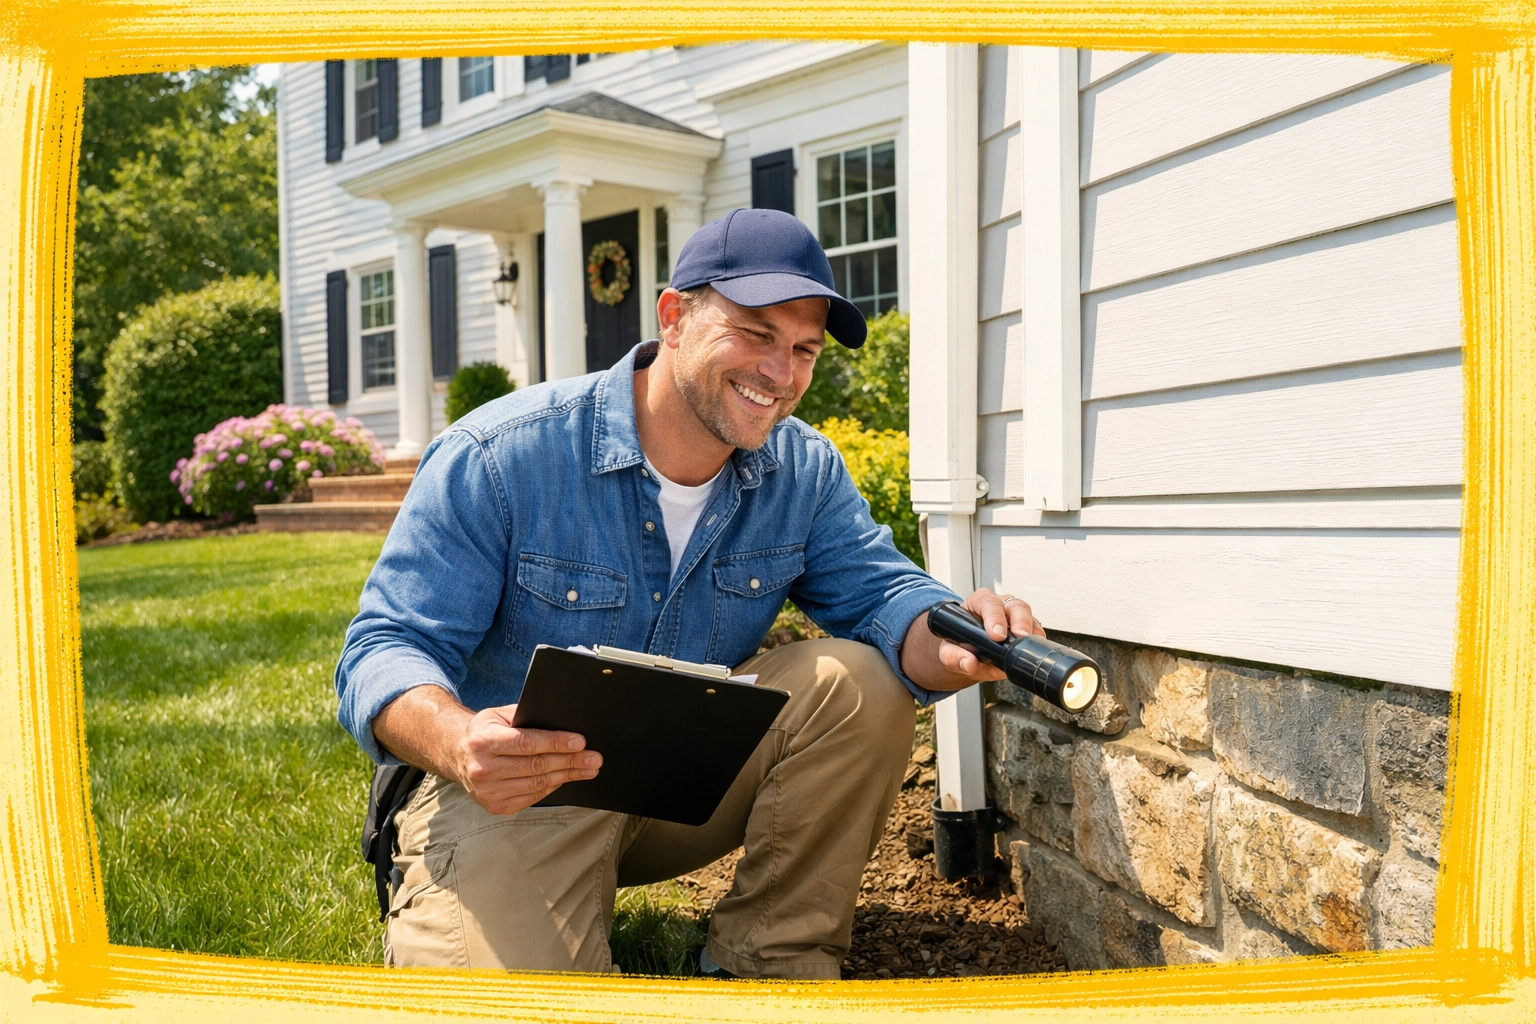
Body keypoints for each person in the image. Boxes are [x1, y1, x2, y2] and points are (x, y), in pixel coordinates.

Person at [335, 208, 1042, 979]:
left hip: (682, 785)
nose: (782, 372)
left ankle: (769, 963)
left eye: (804, 349)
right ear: (674, 317)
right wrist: (461, 744)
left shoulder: (799, 471)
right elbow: (383, 648)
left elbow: (887, 602)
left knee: (859, 681)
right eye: (756, 334)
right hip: (514, 793)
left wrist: (953, 639)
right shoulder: (502, 456)